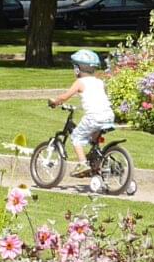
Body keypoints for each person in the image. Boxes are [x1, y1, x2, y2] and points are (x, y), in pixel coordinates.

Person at [47, 48, 116, 180]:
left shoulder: (80, 82)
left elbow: (65, 97)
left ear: (77, 69)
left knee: (76, 137)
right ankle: (97, 164)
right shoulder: (99, 82)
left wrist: (55, 102)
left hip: (94, 117)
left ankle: (83, 164)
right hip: (108, 115)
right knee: (94, 139)